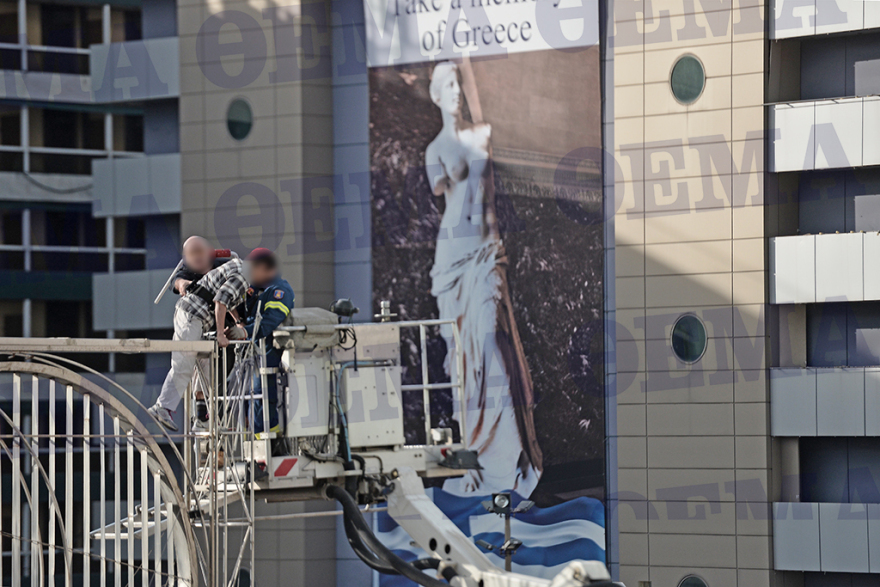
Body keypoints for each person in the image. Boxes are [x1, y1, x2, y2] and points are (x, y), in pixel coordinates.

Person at [425, 60, 543, 496]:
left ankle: (513, 457)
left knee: (492, 340)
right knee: (461, 356)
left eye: (459, 83)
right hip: (453, 259)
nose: (456, 91)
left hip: (487, 252)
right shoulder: (434, 150)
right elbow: (442, 189)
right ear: (436, 95)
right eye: (447, 85)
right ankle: (473, 452)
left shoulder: (483, 133)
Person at [148, 239, 248, 431]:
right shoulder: (243, 274)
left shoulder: (231, 266)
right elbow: (221, 301)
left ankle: (202, 419)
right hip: (191, 315)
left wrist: (237, 321)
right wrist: (221, 335)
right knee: (184, 362)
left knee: (207, 365)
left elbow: (227, 299)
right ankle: (162, 407)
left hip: (200, 320)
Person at [228, 248, 294, 435]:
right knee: (244, 396)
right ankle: (253, 436)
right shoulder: (254, 289)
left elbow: (268, 323)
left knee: (261, 393)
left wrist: (243, 331)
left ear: (265, 268)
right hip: (250, 352)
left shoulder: (279, 291)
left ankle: (268, 440)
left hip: (268, 351)